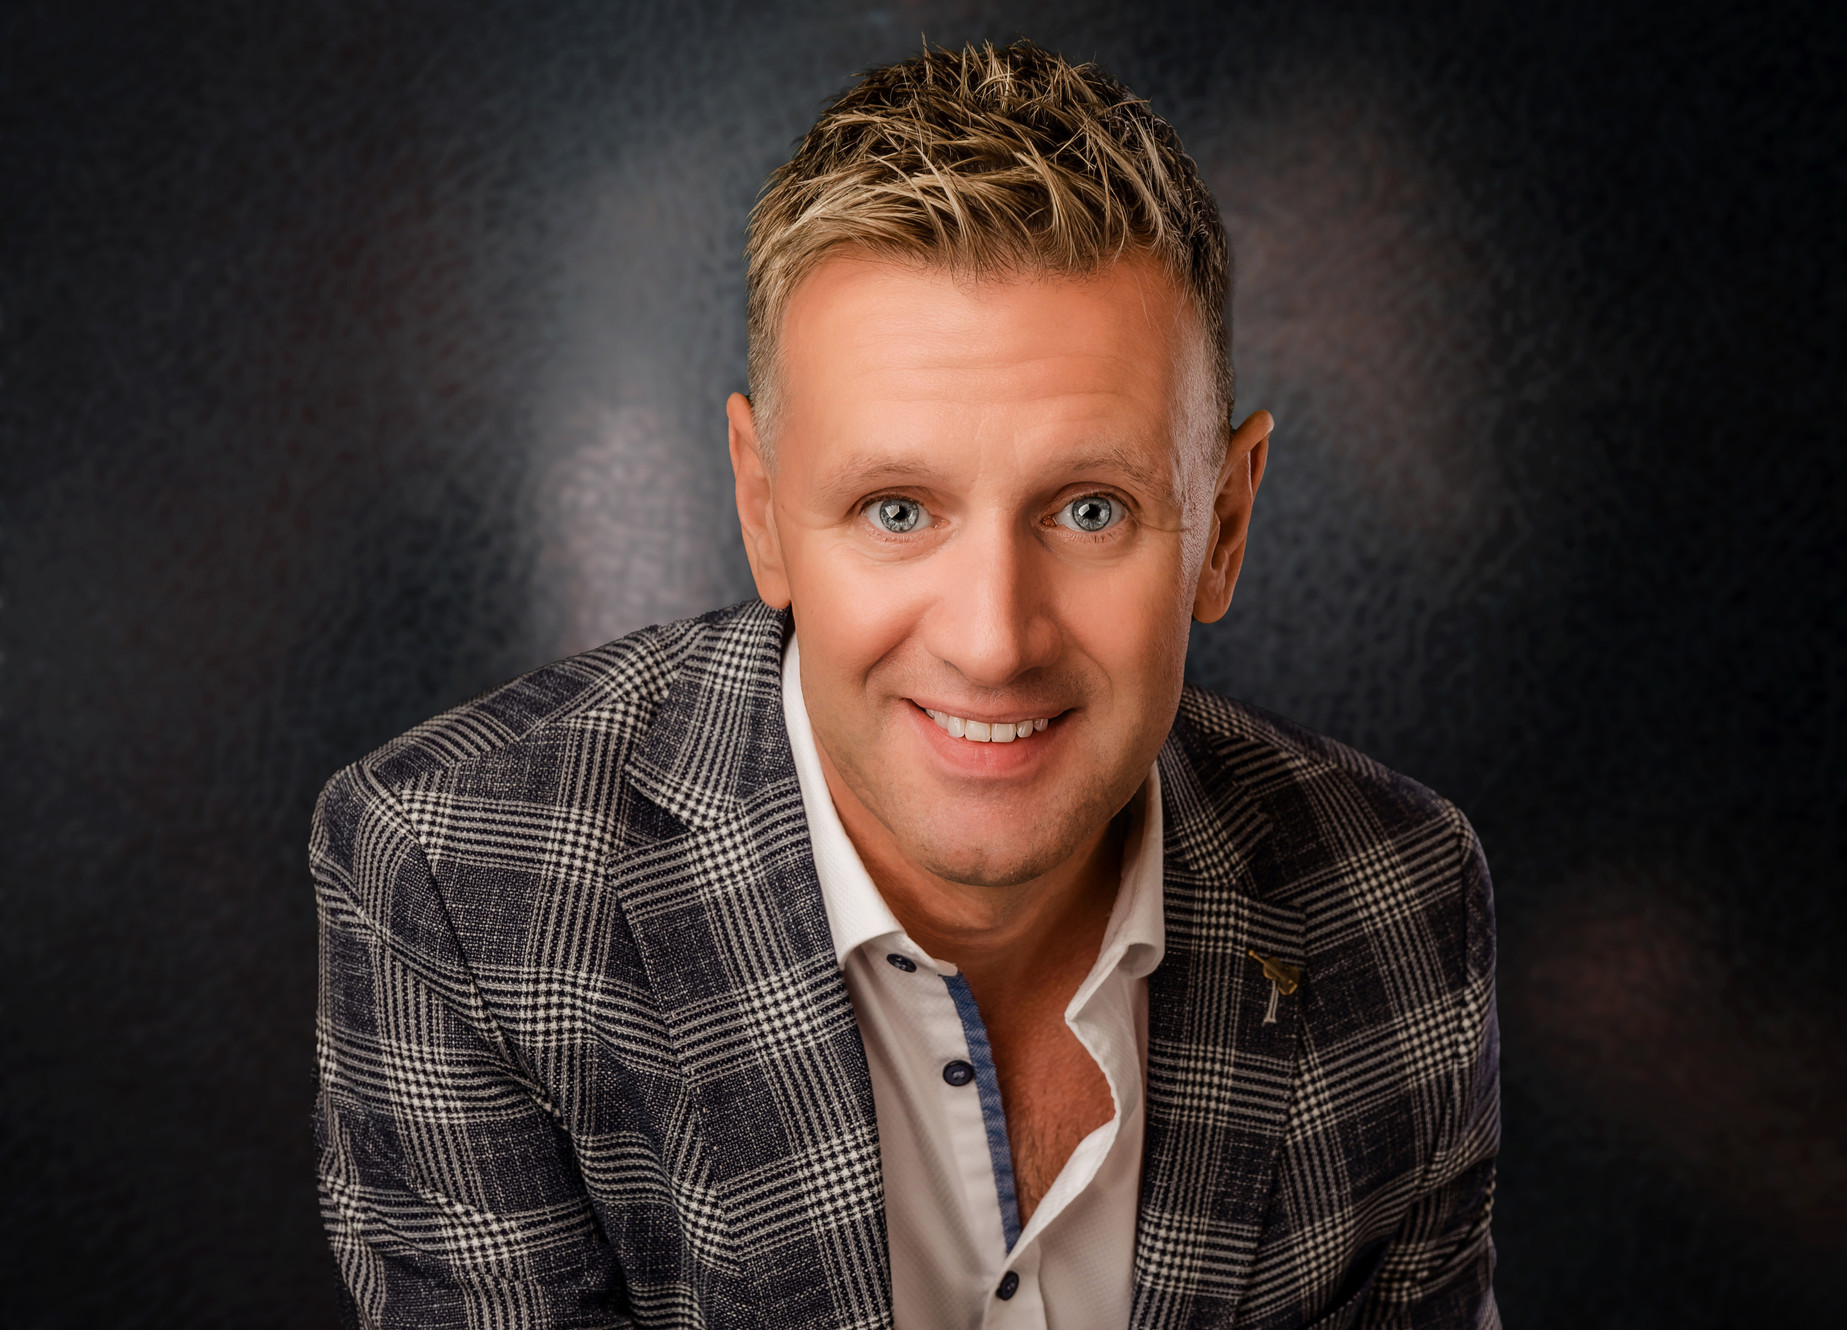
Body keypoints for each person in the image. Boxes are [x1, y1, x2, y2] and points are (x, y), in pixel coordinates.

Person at [312, 41, 1498, 1329]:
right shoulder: (460, 886)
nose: (994, 640)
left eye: (1091, 509)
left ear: (1225, 522)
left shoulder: (1406, 898)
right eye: (896, 510)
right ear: (763, 509)